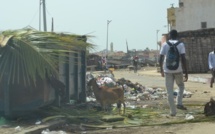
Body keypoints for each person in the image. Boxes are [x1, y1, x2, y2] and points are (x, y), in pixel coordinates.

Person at [159, 29, 188, 116]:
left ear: (169, 36)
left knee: (169, 91)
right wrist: (186, 72)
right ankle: (179, 102)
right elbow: (183, 58)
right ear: (177, 36)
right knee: (181, 86)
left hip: (167, 70)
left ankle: (173, 112)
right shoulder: (181, 44)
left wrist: (161, 69)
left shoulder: (164, 44)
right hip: (178, 69)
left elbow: (160, 58)